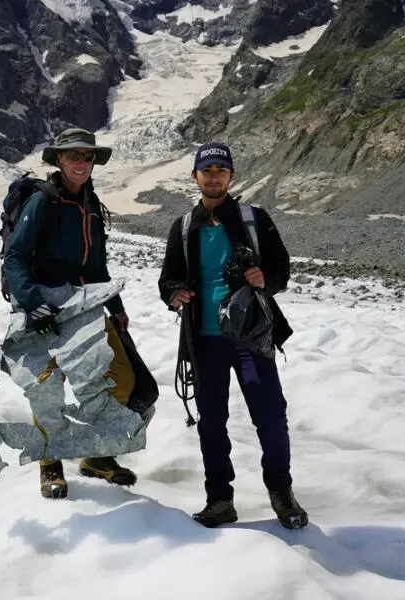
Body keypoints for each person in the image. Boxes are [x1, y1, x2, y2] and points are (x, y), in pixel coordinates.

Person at [157, 142, 308, 529]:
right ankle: (220, 500)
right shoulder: (184, 226)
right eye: (206, 170)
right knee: (211, 422)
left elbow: (281, 269)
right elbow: (168, 278)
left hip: (249, 338)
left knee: (270, 416)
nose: (213, 176)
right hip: (204, 340)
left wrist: (265, 279)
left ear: (231, 177)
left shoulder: (253, 218)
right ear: (195, 176)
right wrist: (175, 293)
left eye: (220, 170)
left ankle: (281, 493)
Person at [3, 127, 139, 499]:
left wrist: (116, 306)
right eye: (73, 155)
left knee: (120, 378)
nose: (81, 162)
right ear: (58, 160)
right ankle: (50, 465)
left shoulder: (90, 204)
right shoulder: (43, 201)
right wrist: (33, 303)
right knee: (49, 387)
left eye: (87, 156)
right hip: (45, 308)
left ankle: (97, 457)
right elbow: (14, 258)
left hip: (85, 305)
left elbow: (96, 265)